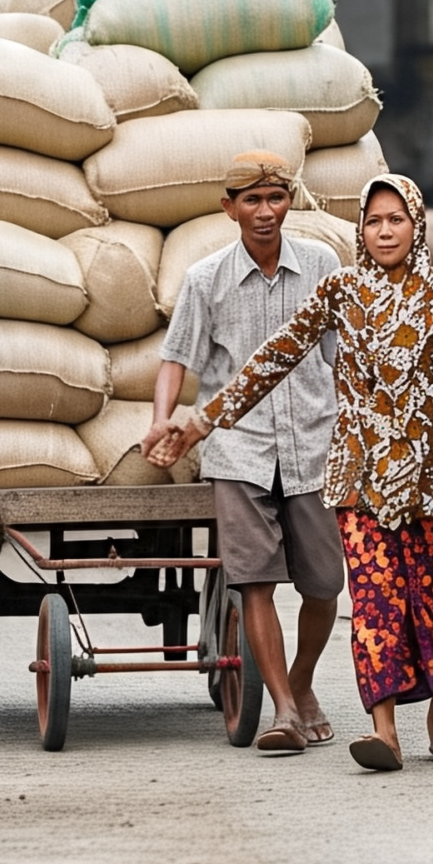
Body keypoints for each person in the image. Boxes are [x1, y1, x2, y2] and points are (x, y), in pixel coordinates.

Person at [146, 175, 433, 772]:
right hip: (362, 480)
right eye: (373, 221)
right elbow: (272, 360)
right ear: (361, 230)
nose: (385, 231)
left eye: (396, 220)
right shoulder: (340, 291)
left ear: (416, 226)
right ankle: (384, 732)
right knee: (376, 606)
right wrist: (202, 420)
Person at [141, 151, 344, 755]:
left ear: (290, 202)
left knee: (325, 585)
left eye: (275, 198)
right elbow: (176, 358)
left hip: (313, 442)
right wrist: (161, 421)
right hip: (238, 449)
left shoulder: (323, 266)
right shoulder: (205, 279)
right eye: (251, 200)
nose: (264, 211)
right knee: (255, 581)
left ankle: (301, 682)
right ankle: (284, 709)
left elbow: (344, 357)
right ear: (228, 208)